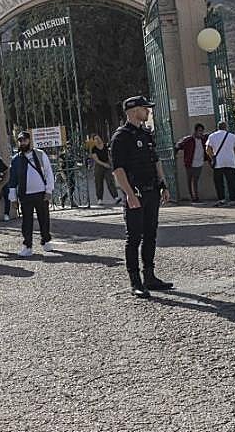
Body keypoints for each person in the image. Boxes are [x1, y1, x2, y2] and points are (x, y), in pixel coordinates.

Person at [109, 97, 172, 299]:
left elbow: (156, 161)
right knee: (134, 237)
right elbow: (118, 170)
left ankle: (150, 276)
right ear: (134, 110)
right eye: (145, 108)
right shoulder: (121, 137)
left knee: (151, 234)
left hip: (152, 191)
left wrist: (163, 185)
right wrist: (129, 194)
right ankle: (135, 281)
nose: (148, 112)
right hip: (135, 193)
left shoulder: (146, 134)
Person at [9, 130, 55, 257]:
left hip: (41, 193)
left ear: (29, 141)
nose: (22, 142)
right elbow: (12, 180)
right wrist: (13, 198)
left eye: (24, 140)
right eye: (20, 140)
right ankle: (27, 245)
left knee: (44, 219)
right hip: (25, 195)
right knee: (26, 222)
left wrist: (49, 190)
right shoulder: (15, 159)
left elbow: (48, 172)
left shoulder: (40, 154)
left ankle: (46, 241)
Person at [205, 121, 235, 206]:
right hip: (230, 162)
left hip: (218, 163)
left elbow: (207, 149)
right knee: (231, 181)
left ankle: (221, 199)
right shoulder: (232, 136)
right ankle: (232, 199)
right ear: (226, 127)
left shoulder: (212, 136)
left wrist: (212, 157)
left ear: (218, 127)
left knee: (219, 182)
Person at [176, 124, 207, 202]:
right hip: (190, 163)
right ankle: (194, 197)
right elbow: (179, 145)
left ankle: (195, 197)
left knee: (195, 180)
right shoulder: (188, 140)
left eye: (202, 131)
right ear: (195, 131)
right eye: (199, 131)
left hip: (199, 163)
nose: (201, 133)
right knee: (191, 180)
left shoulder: (204, 140)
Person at [89, 135, 114, 205]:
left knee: (110, 180)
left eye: (99, 138)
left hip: (107, 164)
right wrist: (104, 164)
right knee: (99, 182)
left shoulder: (105, 146)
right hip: (99, 166)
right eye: (96, 139)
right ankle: (100, 199)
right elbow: (96, 159)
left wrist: (111, 163)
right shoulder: (94, 149)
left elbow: (109, 155)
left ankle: (116, 197)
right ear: (94, 141)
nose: (98, 140)